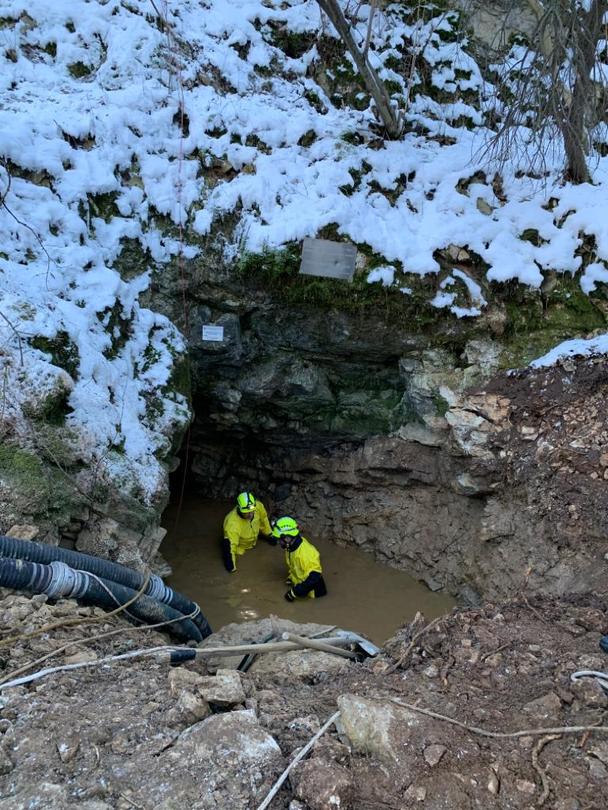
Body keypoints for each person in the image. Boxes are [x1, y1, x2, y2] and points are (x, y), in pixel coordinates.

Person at [271, 516, 327, 601]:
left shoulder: (306, 553)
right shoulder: (290, 546)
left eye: (280, 539)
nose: (279, 542)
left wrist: (294, 592)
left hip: (314, 593)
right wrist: (291, 577)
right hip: (301, 585)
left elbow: (315, 577)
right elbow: (295, 565)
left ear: (287, 538)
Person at [222, 491, 273, 573]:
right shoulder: (232, 523)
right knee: (229, 549)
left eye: (252, 511)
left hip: (254, 538)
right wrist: (231, 567)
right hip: (241, 547)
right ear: (239, 508)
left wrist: (270, 534)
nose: (250, 514)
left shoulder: (258, 506)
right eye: (246, 512)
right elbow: (231, 545)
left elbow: (264, 520)